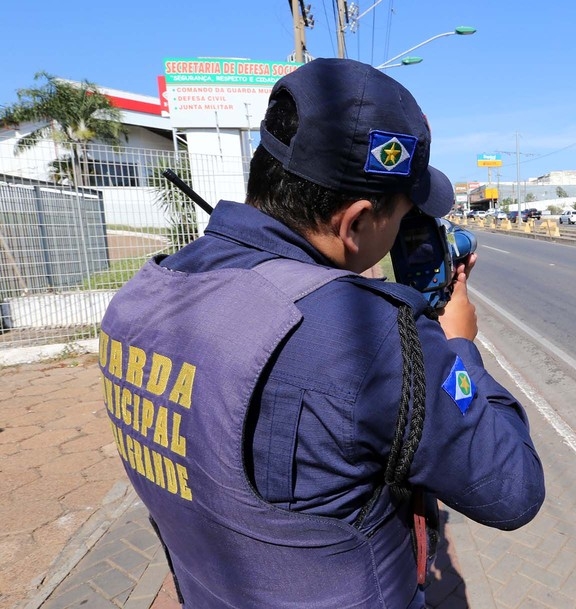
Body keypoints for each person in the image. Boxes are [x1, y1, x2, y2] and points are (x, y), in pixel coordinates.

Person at [97, 58, 545, 608]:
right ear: (355, 221)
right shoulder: (373, 335)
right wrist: (457, 345)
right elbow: (512, 490)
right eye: (405, 217)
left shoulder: (143, 294)